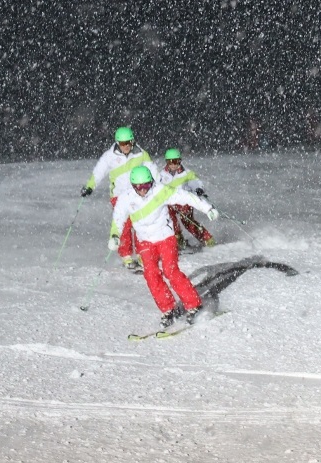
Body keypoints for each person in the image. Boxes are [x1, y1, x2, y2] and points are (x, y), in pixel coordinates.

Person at [111, 165, 220, 328]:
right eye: (139, 187)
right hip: (145, 241)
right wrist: (115, 235)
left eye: (146, 185)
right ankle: (168, 308)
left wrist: (207, 208)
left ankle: (193, 304)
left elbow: (187, 197)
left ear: (151, 183)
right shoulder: (126, 198)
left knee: (171, 271)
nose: (143, 190)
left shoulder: (160, 191)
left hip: (165, 237)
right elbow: (118, 218)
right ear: (133, 186)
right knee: (151, 274)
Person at [81, 126, 151, 271]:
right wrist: (90, 186)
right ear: (117, 143)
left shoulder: (140, 153)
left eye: (128, 143)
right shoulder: (109, 156)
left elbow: (151, 170)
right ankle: (126, 256)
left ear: (132, 141)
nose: (125, 146)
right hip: (119, 196)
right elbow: (99, 172)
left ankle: (142, 254)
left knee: (140, 225)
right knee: (124, 227)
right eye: (122, 143)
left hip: (138, 194)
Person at [159, 148, 215, 248]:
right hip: (170, 202)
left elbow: (195, 181)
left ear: (179, 161)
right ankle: (178, 238)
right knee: (170, 220)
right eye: (170, 162)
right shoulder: (162, 175)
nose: (173, 165)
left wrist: (198, 188)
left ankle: (206, 238)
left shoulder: (186, 173)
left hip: (184, 201)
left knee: (188, 221)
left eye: (175, 161)